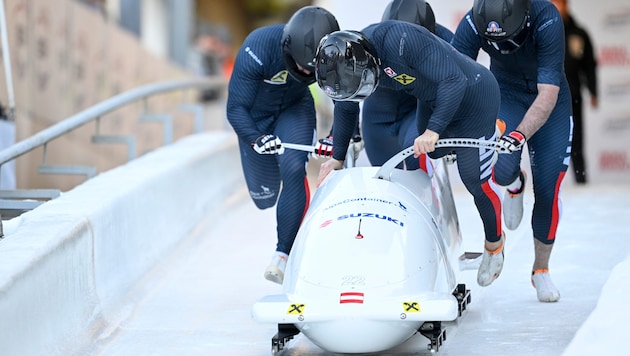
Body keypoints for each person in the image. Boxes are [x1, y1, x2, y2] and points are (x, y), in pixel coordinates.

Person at [314, 24, 506, 287]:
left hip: (475, 98)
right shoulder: (345, 64)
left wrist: (433, 129)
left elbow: (454, 80)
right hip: (434, 101)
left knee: (474, 179)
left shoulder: (401, 41)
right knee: (430, 152)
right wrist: (337, 157)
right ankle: (469, 145)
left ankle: (495, 245)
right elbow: (347, 109)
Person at [451, 0, 573, 302]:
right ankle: (515, 184)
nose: (503, 47)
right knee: (502, 169)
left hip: (550, 99)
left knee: (547, 187)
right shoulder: (472, 22)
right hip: (506, 93)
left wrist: (519, 134)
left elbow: (547, 95)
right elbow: (451, 76)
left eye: (510, 40)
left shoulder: (547, 19)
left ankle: (541, 271)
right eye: (495, 43)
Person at [226, 6, 340, 284]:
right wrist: (254, 138)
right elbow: (235, 108)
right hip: (255, 116)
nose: (305, 71)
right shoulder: (258, 47)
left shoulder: (335, 54)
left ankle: (283, 254)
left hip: (294, 109)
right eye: (301, 65)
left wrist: (335, 137)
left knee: (293, 168)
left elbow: (346, 100)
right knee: (264, 198)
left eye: (312, 69)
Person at [362, 0, 454, 171]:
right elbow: (347, 92)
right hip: (377, 118)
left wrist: (447, 126)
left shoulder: (447, 42)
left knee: (417, 159)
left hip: (417, 113)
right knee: (384, 178)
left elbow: (464, 87)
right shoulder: (366, 42)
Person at [551, 0, 598, 184]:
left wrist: (593, 92)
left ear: (565, 5)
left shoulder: (579, 34)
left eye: (559, 3)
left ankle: (581, 180)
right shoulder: (543, 31)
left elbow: (589, 65)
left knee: (576, 138)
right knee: (551, 140)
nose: (556, 6)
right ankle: (551, 182)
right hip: (549, 96)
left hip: (573, 95)